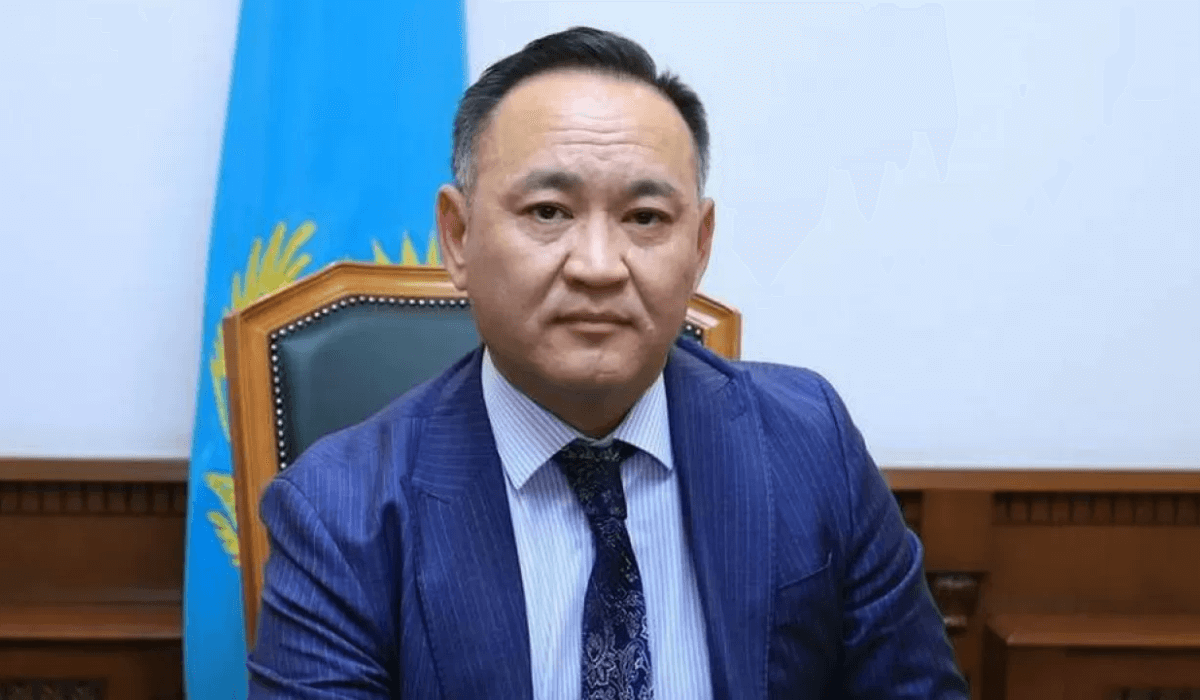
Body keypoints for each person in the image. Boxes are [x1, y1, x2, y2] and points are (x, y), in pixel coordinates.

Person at [247, 26, 968, 700]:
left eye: (645, 218)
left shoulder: (812, 444)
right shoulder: (340, 512)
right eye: (549, 212)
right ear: (458, 237)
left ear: (699, 247)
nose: (597, 267)